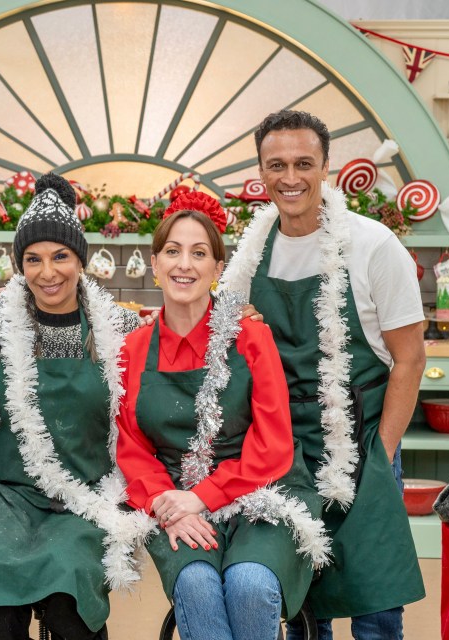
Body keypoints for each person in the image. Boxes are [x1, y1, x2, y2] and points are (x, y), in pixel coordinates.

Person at [220, 109, 426, 639]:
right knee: (304, 601)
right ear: (260, 172)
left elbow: (410, 359)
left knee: (374, 601)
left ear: (326, 167)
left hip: (363, 432)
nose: (291, 178)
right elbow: (225, 348)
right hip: (285, 446)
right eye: (277, 165)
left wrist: (379, 451)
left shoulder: (374, 246)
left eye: (304, 163)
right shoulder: (249, 255)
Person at [115, 191, 328, 640]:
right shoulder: (132, 350)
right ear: (154, 264)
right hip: (174, 497)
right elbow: (130, 446)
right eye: (172, 252)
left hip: (266, 489)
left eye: (198, 253)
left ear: (217, 268)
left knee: (250, 585)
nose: (184, 265)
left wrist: (205, 495)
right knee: (196, 583)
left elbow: (274, 444)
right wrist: (165, 503)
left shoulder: (250, 337)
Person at [0, 173, 155, 640]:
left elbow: (185, 327)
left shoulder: (120, 327)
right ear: (19, 264)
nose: (48, 272)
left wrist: (237, 313)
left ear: (80, 259)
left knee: (71, 608)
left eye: (60, 256)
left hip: (85, 500)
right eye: (34, 259)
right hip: (5, 497)